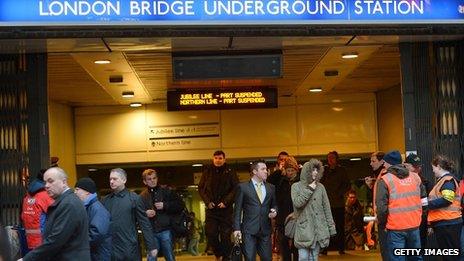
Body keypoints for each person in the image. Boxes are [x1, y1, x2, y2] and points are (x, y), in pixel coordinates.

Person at [20, 167, 90, 261]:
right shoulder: (65, 201)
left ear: (64, 182)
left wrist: (27, 259)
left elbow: (56, 240)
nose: (46, 186)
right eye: (45, 182)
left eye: (50, 181)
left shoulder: (68, 204)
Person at [102, 168, 158, 261]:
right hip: (111, 250)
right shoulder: (105, 200)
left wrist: (151, 246)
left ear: (124, 180)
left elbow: (144, 223)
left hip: (129, 249)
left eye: (115, 179)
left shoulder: (135, 199)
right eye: (110, 179)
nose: (111, 182)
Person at [376, 160, 425, 261]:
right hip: (414, 225)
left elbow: (381, 208)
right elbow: (424, 200)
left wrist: (383, 223)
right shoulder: (415, 177)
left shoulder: (385, 179)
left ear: (389, 164)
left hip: (395, 227)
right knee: (416, 257)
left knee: (397, 257)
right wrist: (421, 217)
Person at [291, 159, 336, 260]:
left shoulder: (321, 187)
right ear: (306, 171)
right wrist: (310, 189)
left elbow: (326, 208)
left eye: (317, 170)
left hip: (318, 228)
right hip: (304, 229)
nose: (315, 172)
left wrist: (331, 228)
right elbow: (298, 203)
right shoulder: (296, 187)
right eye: (313, 170)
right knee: (303, 257)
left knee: (314, 258)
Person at [233, 160, 277, 261]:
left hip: (265, 229)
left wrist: (274, 211)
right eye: (263, 169)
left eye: (266, 169)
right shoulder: (243, 187)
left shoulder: (271, 188)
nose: (266, 171)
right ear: (255, 171)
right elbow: (237, 209)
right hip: (249, 230)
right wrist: (236, 228)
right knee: (250, 258)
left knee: (267, 258)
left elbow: (274, 204)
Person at [199, 150, 239, 261]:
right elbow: (201, 188)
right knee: (211, 234)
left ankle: (226, 257)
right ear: (213, 159)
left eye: (220, 158)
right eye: (216, 158)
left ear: (224, 159)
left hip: (226, 210)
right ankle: (218, 253)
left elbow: (236, 188)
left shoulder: (230, 171)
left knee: (226, 236)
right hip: (211, 209)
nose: (218, 160)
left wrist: (226, 202)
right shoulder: (207, 171)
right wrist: (207, 202)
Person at [139, 169, 184, 261]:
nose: (152, 180)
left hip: (166, 230)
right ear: (145, 181)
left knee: (170, 257)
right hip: (151, 232)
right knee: (151, 258)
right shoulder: (142, 196)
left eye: (154, 178)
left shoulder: (166, 191)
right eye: (149, 179)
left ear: (157, 178)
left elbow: (181, 205)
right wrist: (145, 213)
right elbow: (138, 213)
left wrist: (165, 205)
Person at [428, 155, 462, 261]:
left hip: (448, 223)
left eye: (433, 168)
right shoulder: (445, 180)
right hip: (447, 222)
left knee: (449, 256)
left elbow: (447, 199)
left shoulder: (447, 181)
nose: (433, 171)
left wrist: (426, 204)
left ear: (438, 166)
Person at [267, 155, 299, 261]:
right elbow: (269, 182)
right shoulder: (280, 181)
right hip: (282, 218)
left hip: (297, 217)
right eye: (288, 170)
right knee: (284, 244)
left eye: (292, 170)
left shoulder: (300, 181)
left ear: (296, 170)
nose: (290, 173)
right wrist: (279, 171)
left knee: (297, 244)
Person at [75, 177, 112, 261]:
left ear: (87, 191)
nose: (75, 192)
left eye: (77, 189)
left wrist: (77, 243)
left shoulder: (97, 209)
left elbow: (96, 234)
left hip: (98, 256)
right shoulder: (90, 207)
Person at [320, 151, 350, 255]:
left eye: (332, 157)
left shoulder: (342, 170)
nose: (330, 159)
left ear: (336, 159)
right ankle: (325, 248)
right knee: (325, 227)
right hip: (326, 204)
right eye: (328, 157)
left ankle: (341, 248)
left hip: (338, 203)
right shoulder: (324, 171)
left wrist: (339, 193)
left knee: (340, 227)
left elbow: (347, 185)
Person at [20, 169, 54, 252]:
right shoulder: (45, 196)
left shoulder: (27, 196)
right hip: (43, 241)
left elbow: (22, 216)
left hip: (28, 240)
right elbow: (56, 215)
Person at [403, 153, 431, 251]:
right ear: (405, 166)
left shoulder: (424, 181)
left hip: (420, 221)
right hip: (404, 221)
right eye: (414, 167)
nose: (417, 169)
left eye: (419, 166)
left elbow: (426, 205)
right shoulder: (399, 180)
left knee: (420, 249)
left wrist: (428, 223)